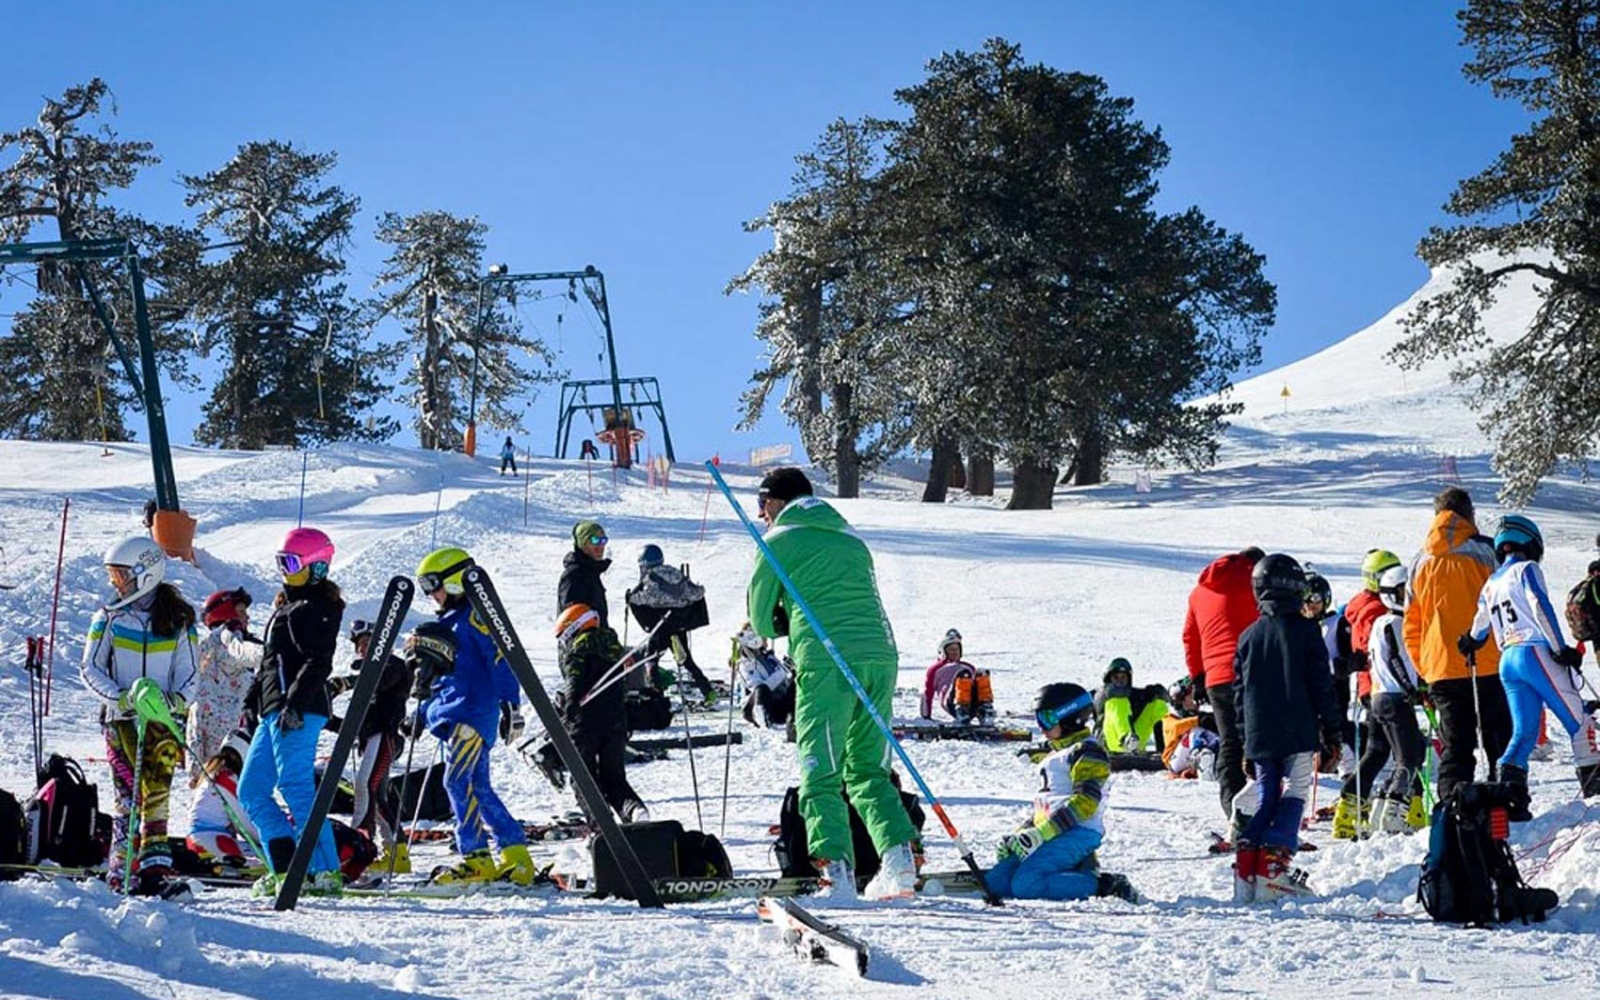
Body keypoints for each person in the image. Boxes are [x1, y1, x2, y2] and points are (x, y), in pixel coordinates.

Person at [746, 467, 919, 901]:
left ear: (773, 502)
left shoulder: (777, 541)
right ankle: (899, 863)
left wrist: (782, 619)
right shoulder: (851, 538)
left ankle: (834, 873)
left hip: (827, 661)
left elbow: (762, 620)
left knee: (820, 768)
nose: (760, 515)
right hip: (880, 656)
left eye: (762, 505)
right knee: (868, 768)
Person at [80, 536, 199, 894]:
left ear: (145, 573)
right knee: (128, 793)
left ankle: (155, 869)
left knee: (157, 794)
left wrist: (176, 700)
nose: (116, 584)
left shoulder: (179, 621)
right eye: (113, 577)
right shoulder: (109, 618)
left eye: (121, 576)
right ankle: (122, 866)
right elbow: (90, 668)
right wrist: (121, 697)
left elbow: (191, 672)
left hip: (162, 720)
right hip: (121, 720)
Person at [412, 546, 536, 886]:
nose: (430, 594)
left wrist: (511, 703)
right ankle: (516, 855)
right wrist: (421, 714)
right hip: (457, 711)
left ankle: (476, 857)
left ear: (453, 581)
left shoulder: (474, 618)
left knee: (455, 781)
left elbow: (500, 657)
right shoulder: (448, 624)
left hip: (472, 711)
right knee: (478, 786)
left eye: (432, 584)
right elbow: (443, 679)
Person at [1462, 515, 1600, 809]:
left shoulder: (1492, 582)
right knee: (1580, 722)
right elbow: (1539, 604)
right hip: (1534, 652)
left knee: (1523, 733)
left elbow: (1480, 625)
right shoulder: (1527, 569)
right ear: (1531, 542)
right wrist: (1560, 648)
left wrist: (1471, 640)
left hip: (1508, 660)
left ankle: (1511, 798)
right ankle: (1596, 793)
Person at [237, 527, 346, 897]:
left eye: (293, 563)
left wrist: (295, 705)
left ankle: (325, 869)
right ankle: (286, 868)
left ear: (316, 568)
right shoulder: (288, 606)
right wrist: (251, 708)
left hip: (298, 709)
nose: (285, 571)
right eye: (281, 563)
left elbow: (318, 661)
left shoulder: (315, 607)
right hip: (274, 711)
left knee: (294, 784)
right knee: (251, 789)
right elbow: (271, 665)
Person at [1232, 553, 1342, 903]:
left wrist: (1244, 741)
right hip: (1297, 727)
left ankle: (1247, 871)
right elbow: (1320, 685)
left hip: (1260, 732)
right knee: (1295, 790)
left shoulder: (1248, 636)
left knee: (1267, 796)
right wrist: (1333, 731)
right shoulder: (1307, 631)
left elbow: (1239, 694)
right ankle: (1275, 870)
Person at [1404, 487, 1511, 802]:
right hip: (1490, 661)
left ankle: (1451, 808)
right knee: (1499, 739)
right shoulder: (1487, 551)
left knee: (1456, 746)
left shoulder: (1417, 563)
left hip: (1441, 669)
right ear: (1470, 514)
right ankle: (1506, 802)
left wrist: (1425, 666)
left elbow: (1412, 624)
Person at [986, 683, 1136, 902]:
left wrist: (1041, 834)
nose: (1042, 727)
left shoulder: (1087, 751)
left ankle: (1104, 885)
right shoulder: (1054, 755)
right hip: (1051, 831)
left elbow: (1085, 803)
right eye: (1039, 720)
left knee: (1027, 885)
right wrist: (1021, 834)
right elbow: (1048, 804)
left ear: (1071, 719)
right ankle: (1077, 868)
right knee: (996, 882)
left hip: (1078, 832)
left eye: (1047, 719)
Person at [1183, 547, 1264, 835]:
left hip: (1216, 679)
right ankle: (1258, 806)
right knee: (1259, 738)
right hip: (1252, 671)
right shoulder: (1256, 582)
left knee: (1230, 742)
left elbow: (1190, 638)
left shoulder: (1198, 592)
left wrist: (1198, 677)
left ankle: (1232, 808)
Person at [555, 602, 649, 821]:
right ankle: (635, 811)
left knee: (583, 779)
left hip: (586, 723)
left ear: (574, 627)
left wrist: (569, 704)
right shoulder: (613, 648)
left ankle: (601, 824)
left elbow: (574, 679)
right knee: (614, 777)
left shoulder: (578, 650)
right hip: (616, 720)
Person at [1333, 548, 1404, 839]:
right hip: (1382, 685)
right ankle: (1396, 806)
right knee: (1394, 749)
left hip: (1373, 686)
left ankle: (1352, 806)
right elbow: (1369, 647)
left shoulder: (1362, 605)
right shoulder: (1375, 609)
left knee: (1380, 749)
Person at [345, 617, 415, 872]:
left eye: (367, 642)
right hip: (372, 737)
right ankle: (395, 853)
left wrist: (349, 681)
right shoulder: (371, 672)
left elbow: (380, 680)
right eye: (359, 645)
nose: (362, 648)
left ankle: (360, 846)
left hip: (384, 735)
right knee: (374, 792)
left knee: (365, 787)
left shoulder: (393, 665)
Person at [1365, 565, 1429, 834]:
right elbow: (1395, 659)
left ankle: (1381, 807)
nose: (1409, 597)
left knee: (1406, 753)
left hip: (1381, 695)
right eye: (1403, 592)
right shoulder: (1394, 622)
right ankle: (1394, 813)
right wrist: (1411, 688)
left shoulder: (1381, 622)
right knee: (1409, 757)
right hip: (1394, 696)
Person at [626, 543, 717, 704]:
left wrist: (631, 598)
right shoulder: (675, 573)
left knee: (651, 658)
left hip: (660, 627)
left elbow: (648, 598)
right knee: (687, 660)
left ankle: (655, 692)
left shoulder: (650, 578)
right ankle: (708, 691)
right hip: (679, 625)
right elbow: (695, 593)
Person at [189, 587, 261, 785]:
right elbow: (242, 653)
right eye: (241, 611)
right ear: (226, 612)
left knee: (211, 789)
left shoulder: (204, 646)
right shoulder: (226, 636)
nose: (246, 617)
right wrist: (272, 654)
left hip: (206, 726)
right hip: (227, 732)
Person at [187, 729, 259, 868]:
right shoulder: (226, 778)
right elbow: (243, 821)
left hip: (201, 837)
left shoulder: (210, 772)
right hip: (213, 838)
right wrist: (271, 838)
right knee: (262, 855)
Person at [1094, 657, 1169, 753]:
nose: (1119, 681)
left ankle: (1165, 747)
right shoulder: (1103, 695)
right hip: (1110, 744)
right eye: (1115, 678)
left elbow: (1164, 696)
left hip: (1135, 743)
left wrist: (1154, 693)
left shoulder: (1132, 695)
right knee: (1118, 701)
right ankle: (1126, 738)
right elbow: (1104, 696)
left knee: (1157, 704)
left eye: (1123, 677)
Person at [920, 629, 994, 724]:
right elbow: (927, 693)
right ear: (943, 651)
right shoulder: (936, 669)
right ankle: (962, 710)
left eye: (957, 649)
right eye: (951, 649)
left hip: (972, 702)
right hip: (951, 701)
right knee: (963, 677)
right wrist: (926, 717)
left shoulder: (969, 667)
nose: (955, 652)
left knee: (981, 675)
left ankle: (984, 710)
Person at [730, 626, 796, 729]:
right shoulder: (745, 664)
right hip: (755, 706)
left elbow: (782, 679)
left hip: (778, 704)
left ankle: (795, 716)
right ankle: (762, 718)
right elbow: (757, 687)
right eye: (764, 638)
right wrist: (784, 670)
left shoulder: (768, 657)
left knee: (796, 679)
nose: (766, 641)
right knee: (761, 689)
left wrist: (791, 672)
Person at [1159, 676, 1220, 779]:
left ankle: (1213, 761)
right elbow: (1176, 728)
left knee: (1211, 734)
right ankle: (1203, 761)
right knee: (1195, 730)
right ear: (1179, 699)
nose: (1196, 700)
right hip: (1175, 761)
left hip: (1192, 759)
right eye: (1191, 696)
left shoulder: (1199, 716)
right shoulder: (1170, 719)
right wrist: (1198, 720)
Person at [560, 520, 612, 627]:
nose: (600, 546)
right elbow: (570, 621)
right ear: (583, 543)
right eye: (595, 540)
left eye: (603, 540)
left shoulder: (591, 572)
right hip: (582, 642)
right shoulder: (575, 575)